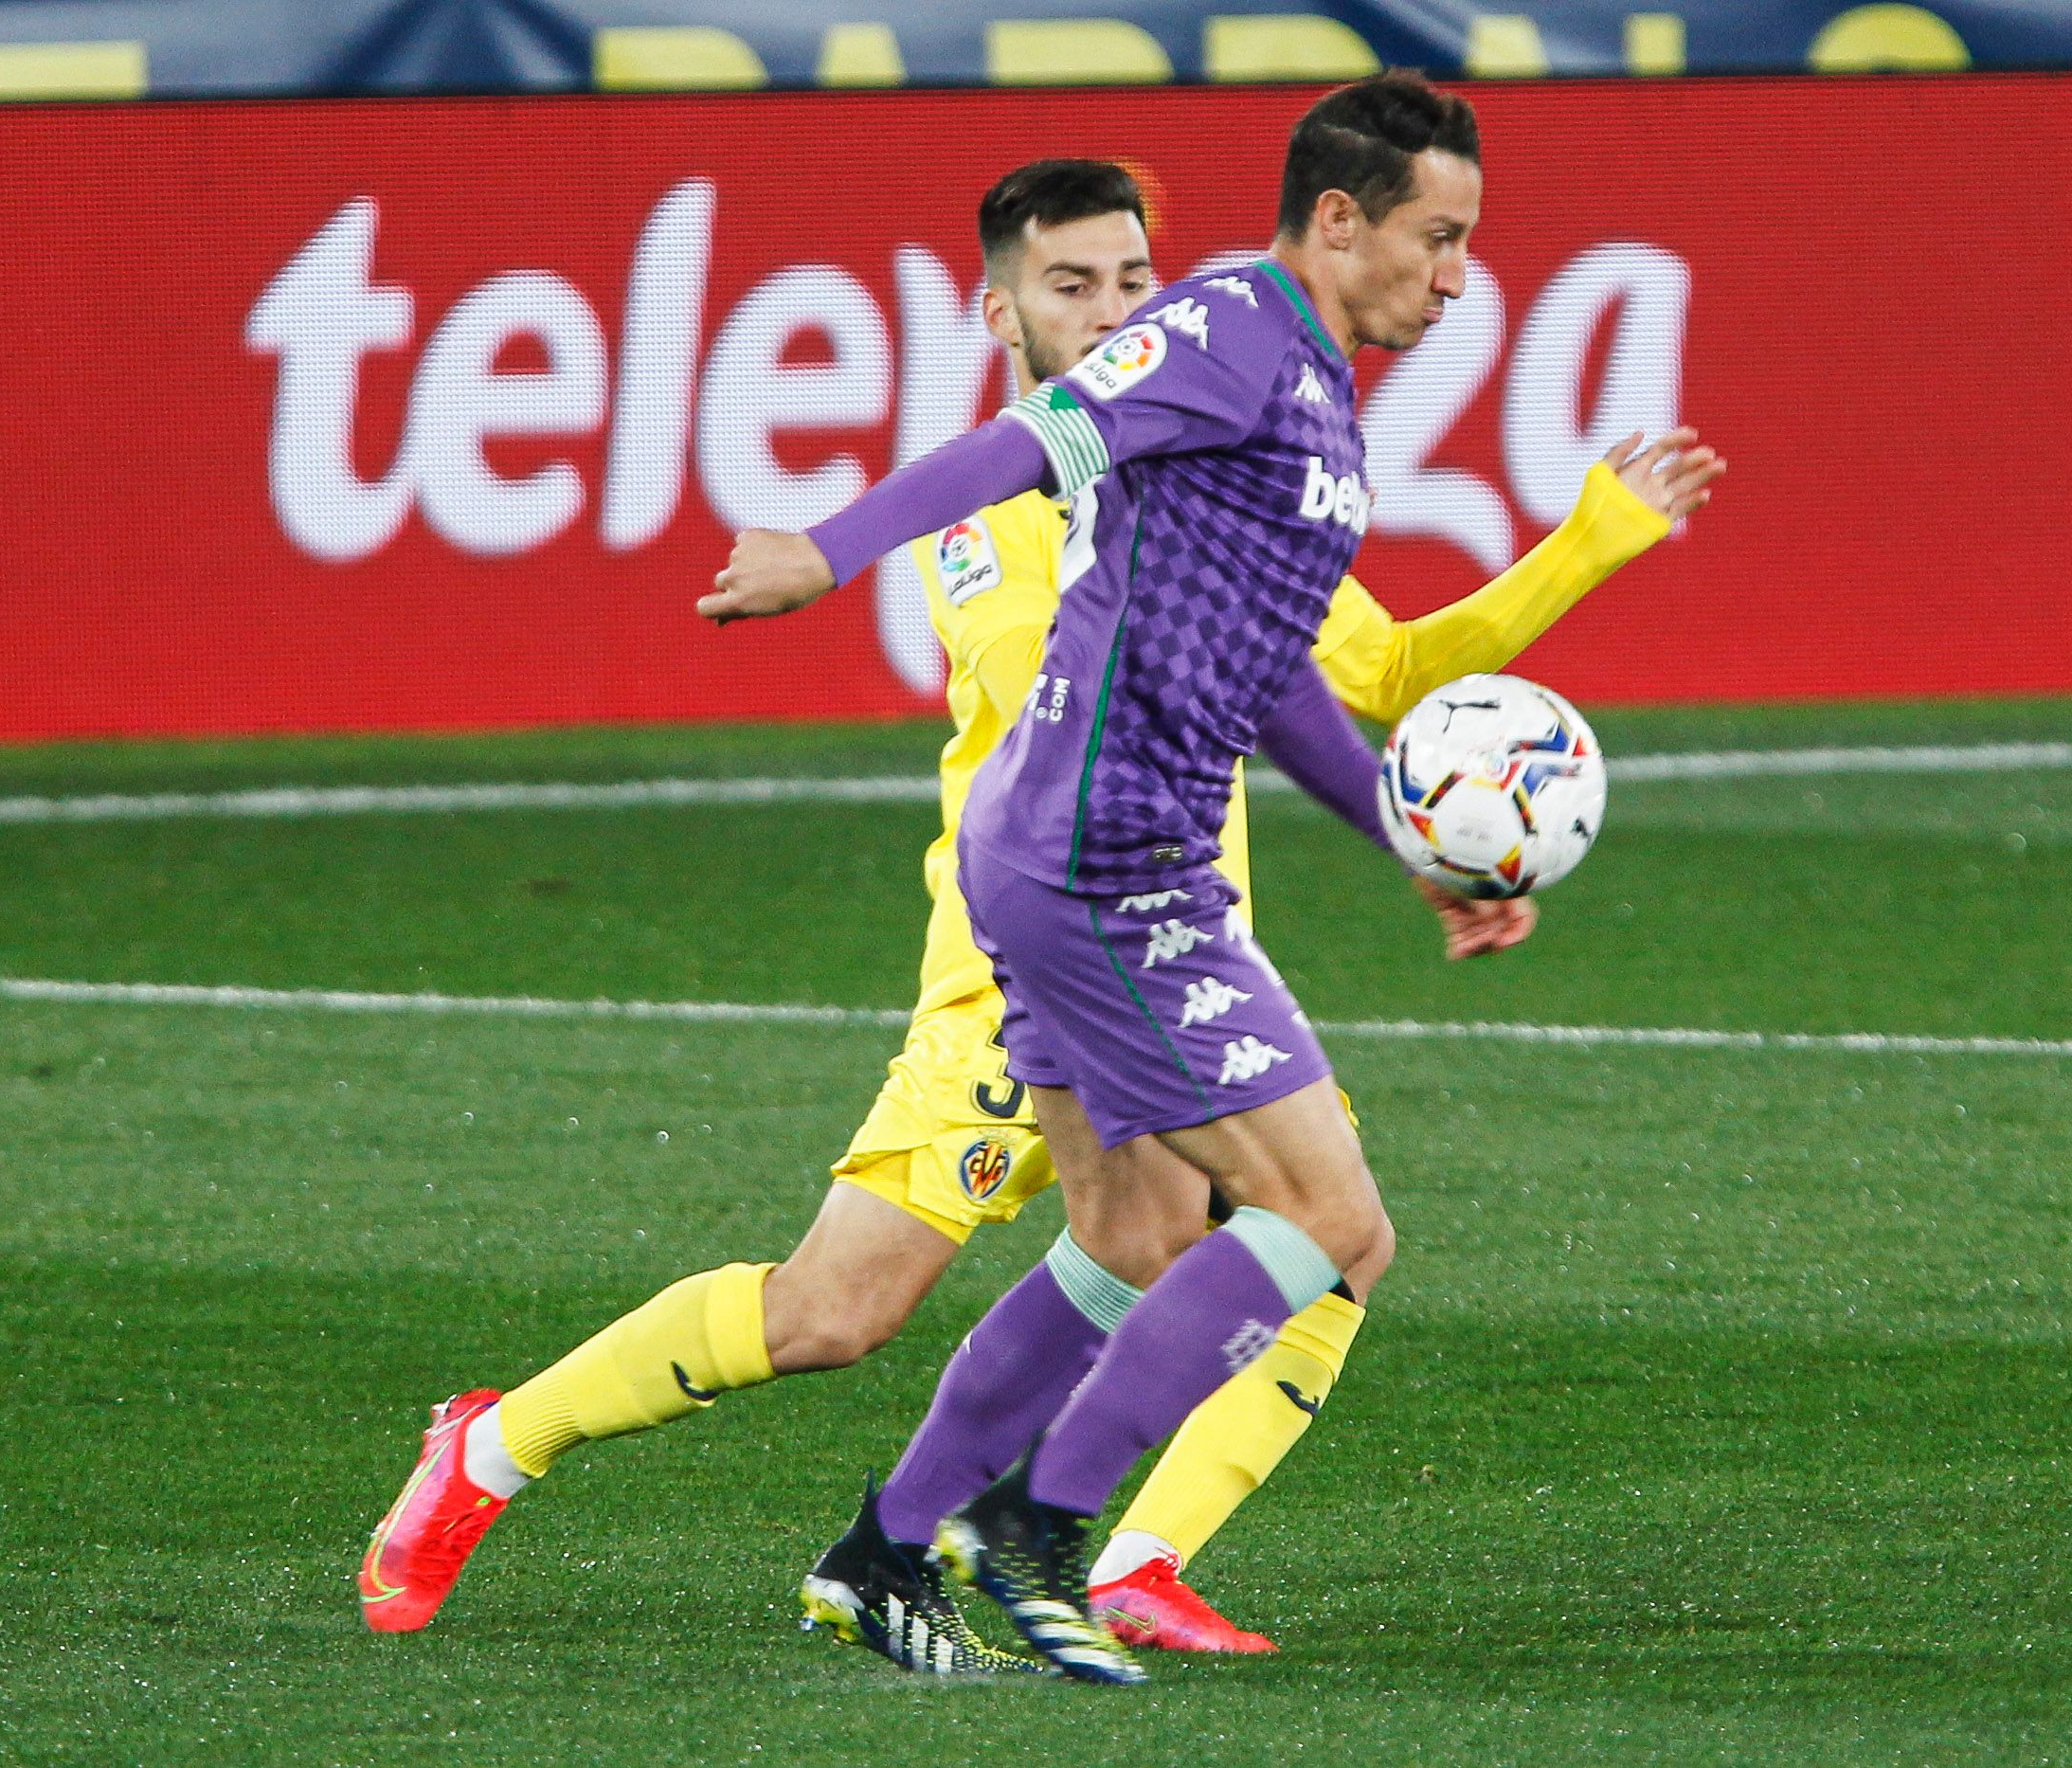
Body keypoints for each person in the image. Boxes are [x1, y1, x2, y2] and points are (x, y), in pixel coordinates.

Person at [355, 132, 1719, 1669]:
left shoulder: (1210, 460)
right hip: (1029, 958)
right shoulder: (1007, 515)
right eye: (1070, 286)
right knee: (832, 1312)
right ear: (1003, 316)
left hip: (1163, 937)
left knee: (1297, 1232)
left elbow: (1372, 671)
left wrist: (1591, 545)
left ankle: (1120, 1555)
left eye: (1132, 277)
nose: (1109, 308)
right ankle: (496, 1445)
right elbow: (1084, 693)